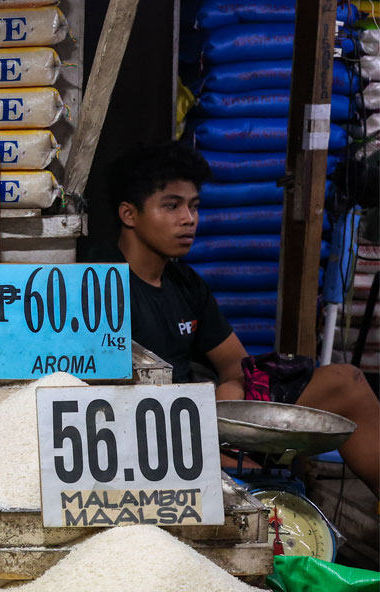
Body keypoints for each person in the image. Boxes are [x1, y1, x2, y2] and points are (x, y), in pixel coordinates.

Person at [99, 141, 379, 495]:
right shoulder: (99, 279)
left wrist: (228, 395)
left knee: (346, 381)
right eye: (171, 206)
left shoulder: (185, 284)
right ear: (129, 214)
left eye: (194, 206)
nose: (189, 219)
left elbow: (235, 362)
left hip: (202, 419)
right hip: (143, 435)